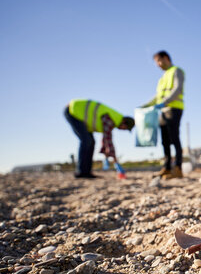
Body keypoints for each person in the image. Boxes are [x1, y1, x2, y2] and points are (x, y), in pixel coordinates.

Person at [64, 99, 134, 178]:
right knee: (86, 141)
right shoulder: (112, 119)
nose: (123, 130)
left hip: (79, 114)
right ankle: (81, 172)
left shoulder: (114, 119)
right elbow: (108, 139)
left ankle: (86, 172)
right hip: (73, 111)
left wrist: (107, 152)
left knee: (91, 142)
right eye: (125, 128)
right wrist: (114, 158)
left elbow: (105, 139)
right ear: (124, 122)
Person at [142, 50, 185, 179]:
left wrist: (165, 102)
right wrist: (146, 105)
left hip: (174, 109)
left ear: (166, 58)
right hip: (163, 111)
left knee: (174, 138)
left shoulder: (177, 71)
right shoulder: (162, 78)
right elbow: (157, 97)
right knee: (165, 141)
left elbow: (177, 89)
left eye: (158, 61)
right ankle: (166, 167)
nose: (158, 65)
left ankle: (178, 168)